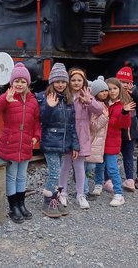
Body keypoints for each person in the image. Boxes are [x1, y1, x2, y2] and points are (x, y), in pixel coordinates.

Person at [0, 63, 40, 223]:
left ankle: (21, 204)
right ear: (11, 82)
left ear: (27, 83)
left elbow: (37, 121)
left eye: (23, 81)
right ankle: (13, 207)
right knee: (11, 176)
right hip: (10, 143)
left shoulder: (32, 100)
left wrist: (36, 136)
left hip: (25, 144)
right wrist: (4, 100)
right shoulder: (6, 97)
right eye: (16, 81)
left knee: (22, 176)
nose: (19, 84)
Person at [37, 63, 79, 218]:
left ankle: (54, 197)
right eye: (57, 81)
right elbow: (42, 120)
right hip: (50, 141)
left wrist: (75, 145)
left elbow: (73, 125)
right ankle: (48, 200)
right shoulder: (44, 97)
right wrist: (49, 106)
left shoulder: (69, 99)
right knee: (55, 172)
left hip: (63, 142)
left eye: (63, 81)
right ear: (52, 82)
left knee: (59, 171)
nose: (60, 84)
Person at [58, 67, 104, 210]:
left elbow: (99, 110)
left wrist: (89, 101)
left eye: (79, 80)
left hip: (82, 134)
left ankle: (80, 195)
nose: (76, 83)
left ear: (83, 81)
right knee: (65, 165)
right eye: (73, 80)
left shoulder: (86, 94)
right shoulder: (65, 96)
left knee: (79, 166)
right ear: (69, 81)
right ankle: (62, 192)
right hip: (67, 134)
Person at [102, 78, 135, 206]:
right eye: (109, 89)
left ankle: (119, 193)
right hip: (101, 140)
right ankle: (100, 186)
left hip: (112, 140)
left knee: (111, 167)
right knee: (100, 166)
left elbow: (123, 124)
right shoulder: (104, 104)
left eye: (115, 88)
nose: (112, 91)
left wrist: (125, 112)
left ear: (119, 89)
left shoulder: (121, 106)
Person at [85, 76, 110, 198]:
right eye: (102, 91)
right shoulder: (94, 106)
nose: (105, 93)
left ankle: (97, 184)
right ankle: (83, 183)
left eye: (106, 90)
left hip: (105, 139)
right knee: (90, 164)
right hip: (95, 139)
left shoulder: (107, 104)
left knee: (100, 162)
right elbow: (93, 126)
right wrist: (104, 117)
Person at [116, 66, 138, 192]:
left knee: (128, 155)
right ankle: (108, 178)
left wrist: (134, 93)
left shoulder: (133, 95)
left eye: (127, 82)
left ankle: (130, 179)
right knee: (112, 156)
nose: (124, 85)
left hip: (130, 131)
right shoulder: (114, 93)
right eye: (122, 82)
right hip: (117, 131)